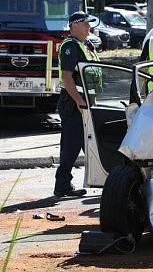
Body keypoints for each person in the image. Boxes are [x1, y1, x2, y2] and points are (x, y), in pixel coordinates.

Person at [54, 11, 100, 198]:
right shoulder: (70, 46)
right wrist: (80, 102)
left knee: (87, 145)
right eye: (85, 24)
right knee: (72, 146)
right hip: (74, 104)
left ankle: (104, 179)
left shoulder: (85, 45)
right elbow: (67, 78)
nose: (89, 27)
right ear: (74, 26)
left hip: (85, 102)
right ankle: (63, 185)